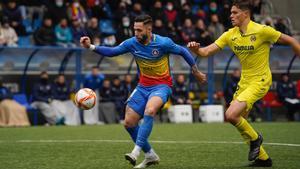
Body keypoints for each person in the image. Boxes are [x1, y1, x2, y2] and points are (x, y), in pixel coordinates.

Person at [80, 14, 206, 168]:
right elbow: (113, 51)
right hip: (142, 87)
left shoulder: (163, 42)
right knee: (129, 123)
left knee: (150, 110)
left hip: (162, 86)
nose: (136, 33)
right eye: (135, 30)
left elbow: (183, 51)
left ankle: (136, 152)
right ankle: (150, 155)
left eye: (139, 30)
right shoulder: (132, 43)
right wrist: (91, 46)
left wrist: (196, 71)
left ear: (149, 29)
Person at [187, 0, 300, 167]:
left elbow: (291, 40)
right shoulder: (230, 34)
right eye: (231, 13)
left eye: (235, 13)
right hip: (245, 81)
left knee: (231, 115)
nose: (231, 15)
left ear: (245, 14)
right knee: (240, 121)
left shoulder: (262, 30)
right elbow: (205, 52)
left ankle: (256, 139)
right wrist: (196, 49)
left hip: (261, 79)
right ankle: (263, 159)